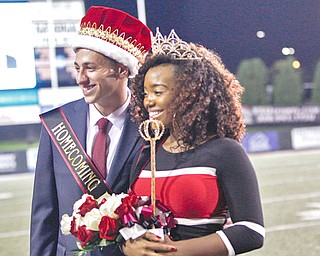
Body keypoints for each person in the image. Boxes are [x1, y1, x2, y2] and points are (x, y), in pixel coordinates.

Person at [123, 28, 265, 255]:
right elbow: (130, 223)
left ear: (189, 94)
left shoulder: (225, 151)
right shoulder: (146, 151)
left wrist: (172, 251)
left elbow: (251, 231)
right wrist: (129, 244)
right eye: (145, 93)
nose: (148, 101)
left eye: (158, 92)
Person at [30, 6, 152, 256]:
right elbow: (44, 214)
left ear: (122, 69)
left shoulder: (151, 124)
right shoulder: (57, 123)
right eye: (77, 68)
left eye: (90, 68)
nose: (80, 78)